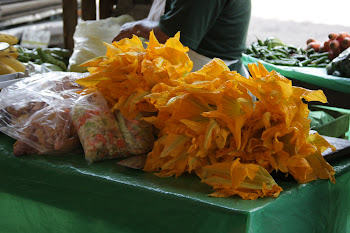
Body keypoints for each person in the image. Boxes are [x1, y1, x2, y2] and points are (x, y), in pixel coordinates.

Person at [113, 0, 251, 76]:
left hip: (210, 76)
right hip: (196, 63)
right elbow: (174, 19)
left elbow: (170, 35)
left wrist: (135, 27)